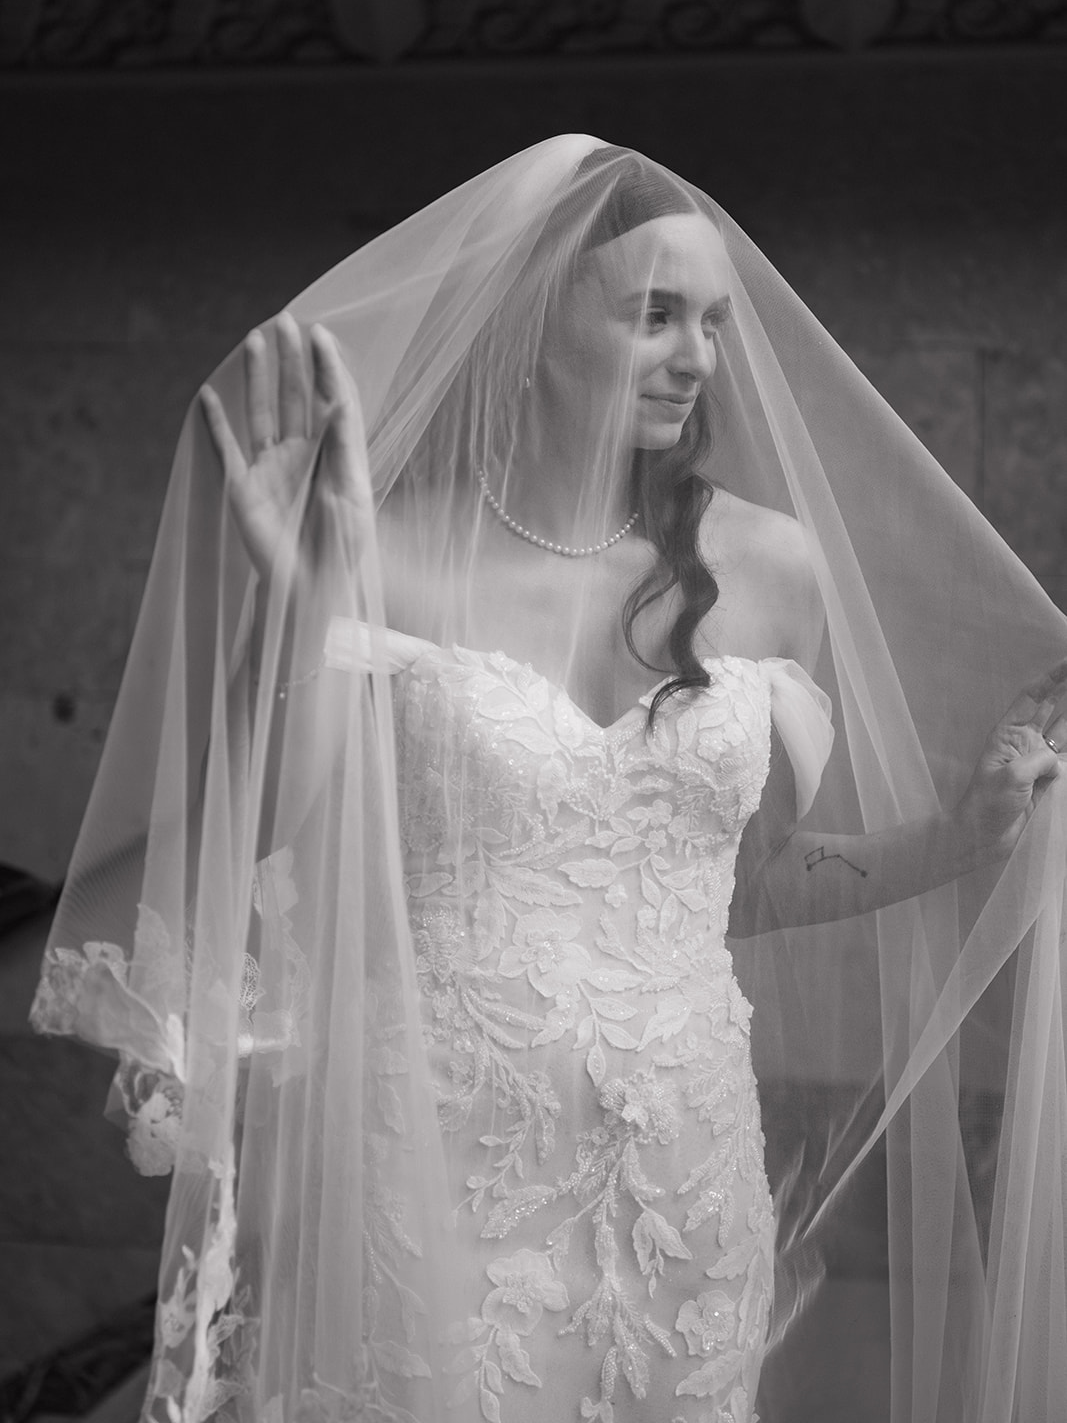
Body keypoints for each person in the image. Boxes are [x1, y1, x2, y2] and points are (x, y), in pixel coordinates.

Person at [31, 138, 1067, 1423]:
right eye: (652, 316)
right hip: (429, 1171)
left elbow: (752, 884)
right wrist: (295, 614)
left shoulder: (773, 570)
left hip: (682, 1180)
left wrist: (956, 840)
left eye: (712, 322)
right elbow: (269, 839)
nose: (697, 357)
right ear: (531, 328)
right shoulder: (386, 560)